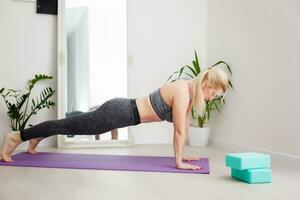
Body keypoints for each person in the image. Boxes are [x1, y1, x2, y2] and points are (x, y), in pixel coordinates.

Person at [0, 67, 229, 170]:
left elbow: (184, 129)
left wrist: (184, 155)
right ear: (208, 85)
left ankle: (36, 137)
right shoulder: (182, 92)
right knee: (69, 125)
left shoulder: (188, 93)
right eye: (214, 94)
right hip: (118, 113)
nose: (212, 98)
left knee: (71, 123)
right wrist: (178, 163)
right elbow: (178, 131)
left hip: (121, 110)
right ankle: (16, 136)